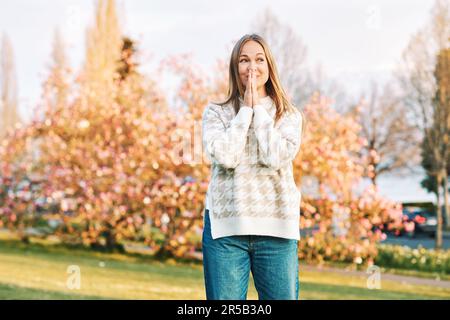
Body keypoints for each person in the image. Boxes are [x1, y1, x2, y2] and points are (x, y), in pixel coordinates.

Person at [201, 33, 304, 300]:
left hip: (276, 231)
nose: (252, 66)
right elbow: (226, 156)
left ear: (269, 67)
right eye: (244, 60)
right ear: (236, 68)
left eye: (259, 60)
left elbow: (276, 156)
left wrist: (259, 111)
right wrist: (245, 111)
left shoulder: (289, 115)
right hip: (226, 231)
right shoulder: (216, 113)